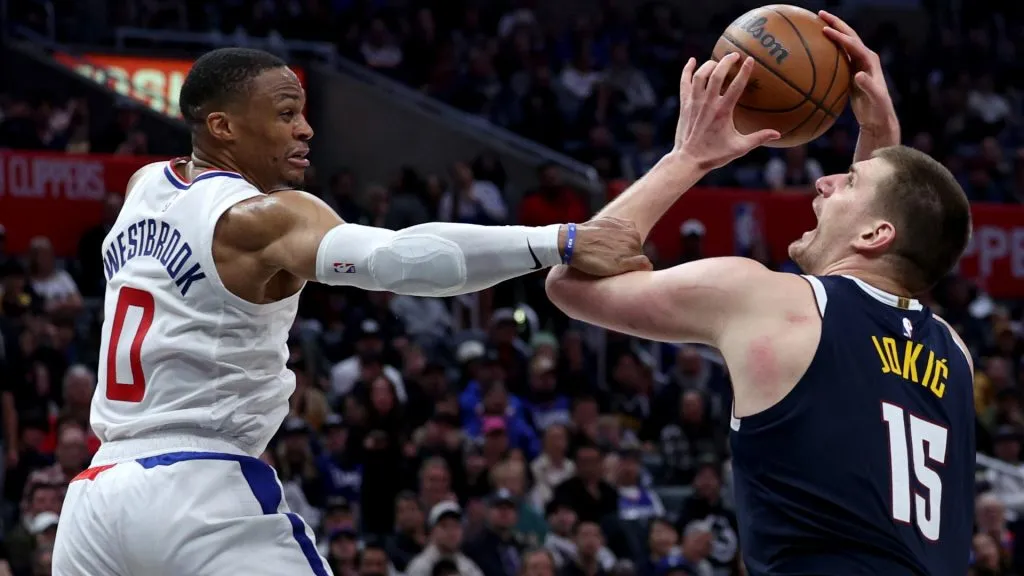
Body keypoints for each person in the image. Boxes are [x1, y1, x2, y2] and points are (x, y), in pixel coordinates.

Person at [52, 47, 649, 576]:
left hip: (93, 503)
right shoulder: (265, 219)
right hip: (197, 491)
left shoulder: (144, 185)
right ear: (222, 126)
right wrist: (559, 241)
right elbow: (400, 260)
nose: (306, 129)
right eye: (286, 114)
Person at [545, 12, 974, 576]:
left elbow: (573, 281)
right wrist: (880, 152)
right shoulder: (956, 355)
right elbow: (889, 288)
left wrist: (689, 156)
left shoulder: (772, 303)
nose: (823, 181)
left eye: (847, 183)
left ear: (874, 234)